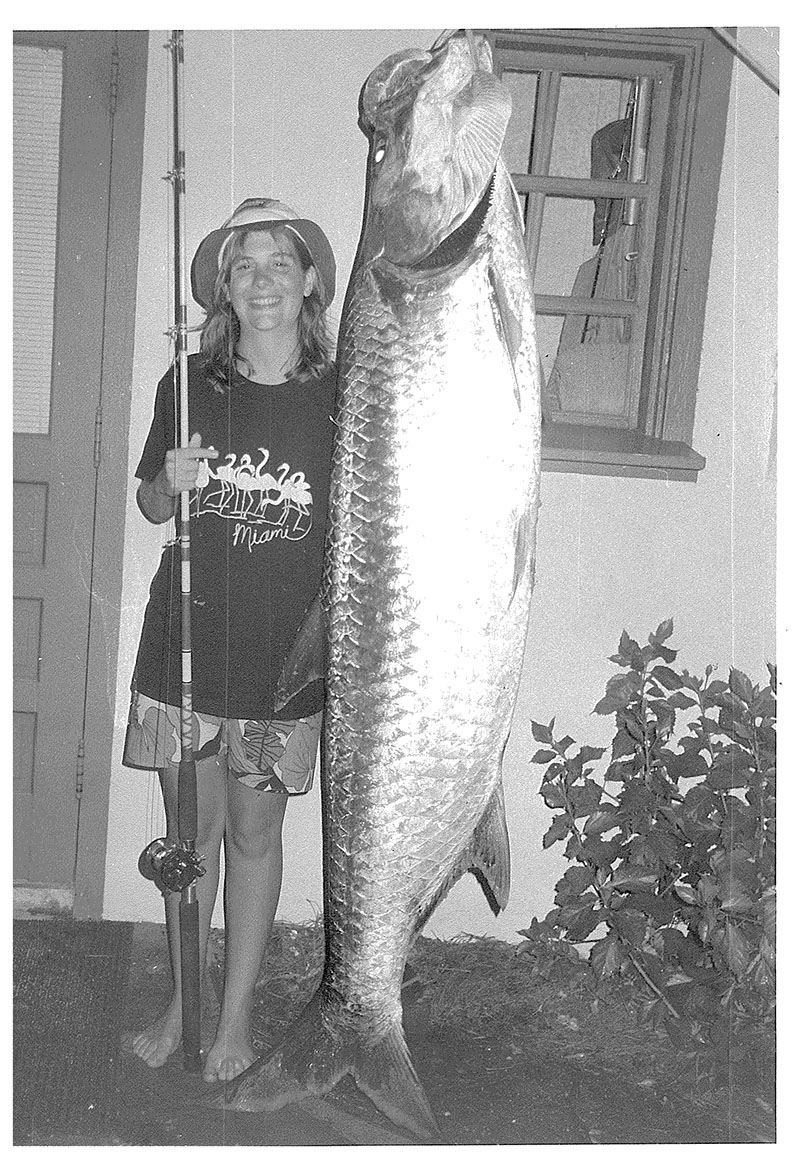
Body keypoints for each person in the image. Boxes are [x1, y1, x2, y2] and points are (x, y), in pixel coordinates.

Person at [124, 198, 337, 1083]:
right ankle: (186, 1003)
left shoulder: (345, 392)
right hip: (187, 646)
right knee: (195, 833)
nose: (260, 282)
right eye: (243, 266)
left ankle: (236, 1017)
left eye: (277, 264)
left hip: (284, 662)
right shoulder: (188, 383)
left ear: (308, 282)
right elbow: (149, 503)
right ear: (222, 285)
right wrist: (167, 486)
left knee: (255, 833)